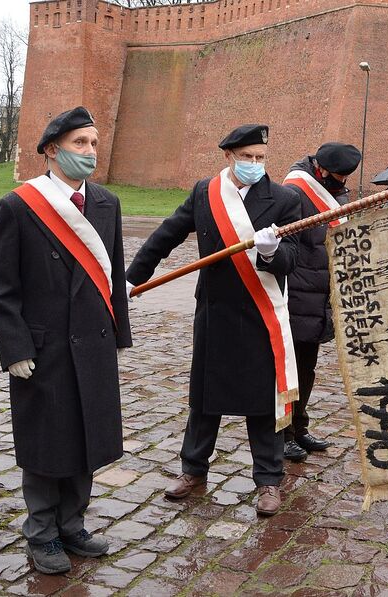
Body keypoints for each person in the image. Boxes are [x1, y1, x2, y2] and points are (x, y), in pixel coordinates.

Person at [0, 107, 132, 574]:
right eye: (79, 143)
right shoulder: (19, 206)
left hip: (93, 342)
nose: (90, 152)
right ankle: (42, 532)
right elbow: (1, 287)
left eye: (93, 143)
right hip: (44, 348)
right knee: (47, 441)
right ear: (52, 150)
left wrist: (119, 336)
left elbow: (113, 275)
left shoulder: (106, 202)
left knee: (87, 436)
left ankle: (72, 524)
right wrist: (15, 348)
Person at [126, 124, 301, 516]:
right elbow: (167, 234)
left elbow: (293, 259)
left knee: (263, 401)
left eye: (260, 157)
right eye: (247, 157)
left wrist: (271, 253)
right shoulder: (206, 192)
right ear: (229, 157)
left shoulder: (285, 199)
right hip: (215, 311)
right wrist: (132, 278)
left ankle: (269, 480)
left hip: (260, 313)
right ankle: (193, 470)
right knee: (204, 399)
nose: (255, 163)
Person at [281, 142, 361, 462]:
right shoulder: (295, 191)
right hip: (295, 294)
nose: (342, 182)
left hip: (319, 295)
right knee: (286, 371)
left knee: (306, 369)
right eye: (339, 176)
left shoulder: (334, 192)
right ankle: (281, 435)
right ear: (322, 169)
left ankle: (299, 427)